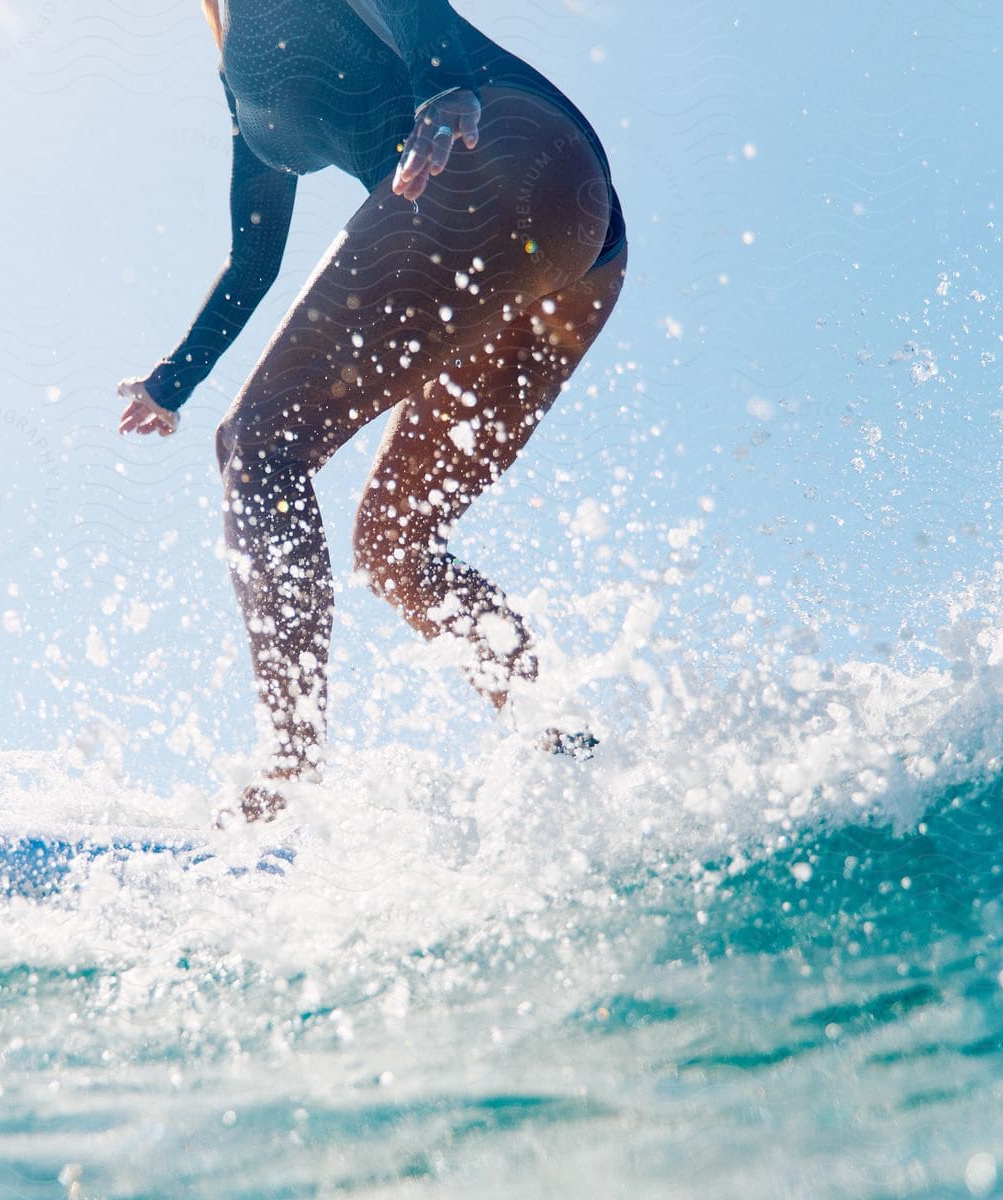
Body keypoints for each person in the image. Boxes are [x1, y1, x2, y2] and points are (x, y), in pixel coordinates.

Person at [118, 0, 626, 821]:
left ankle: (289, 772)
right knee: (395, 545)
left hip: (492, 147)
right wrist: (171, 382)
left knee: (259, 448)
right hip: (573, 236)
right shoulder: (240, 86)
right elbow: (253, 260)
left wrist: (443, 84)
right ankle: (570, 757)